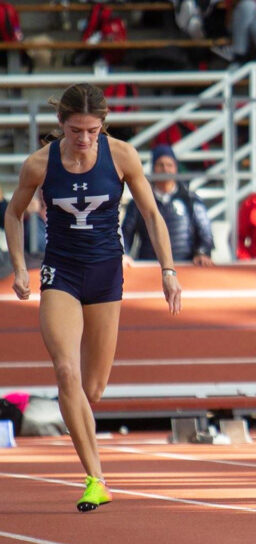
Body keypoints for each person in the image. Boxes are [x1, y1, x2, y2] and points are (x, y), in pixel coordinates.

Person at [3, 83, 182, 511]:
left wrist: (168, 270)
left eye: (92, 131)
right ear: (61, 125)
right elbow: (12, 213)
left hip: (105, 276)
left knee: (92, 389)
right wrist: (20, 267)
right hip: (60, 271)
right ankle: (95, 478)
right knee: (65, 370)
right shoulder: (39, 165)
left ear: (103, 126)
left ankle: (75, 427)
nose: (84, 140)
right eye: (76, 130)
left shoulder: (121, 155)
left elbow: (152, 214)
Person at [122, 145, 215, 266]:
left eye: (169, 165)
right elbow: (126, 232)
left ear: (176, 168)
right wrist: (124, 254)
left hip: (185, 265)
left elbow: (205, 231)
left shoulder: (190, 200)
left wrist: (203, 252)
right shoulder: (139, 201)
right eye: (160, 165)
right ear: (153, 168)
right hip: (150, 265)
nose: (165, 169)